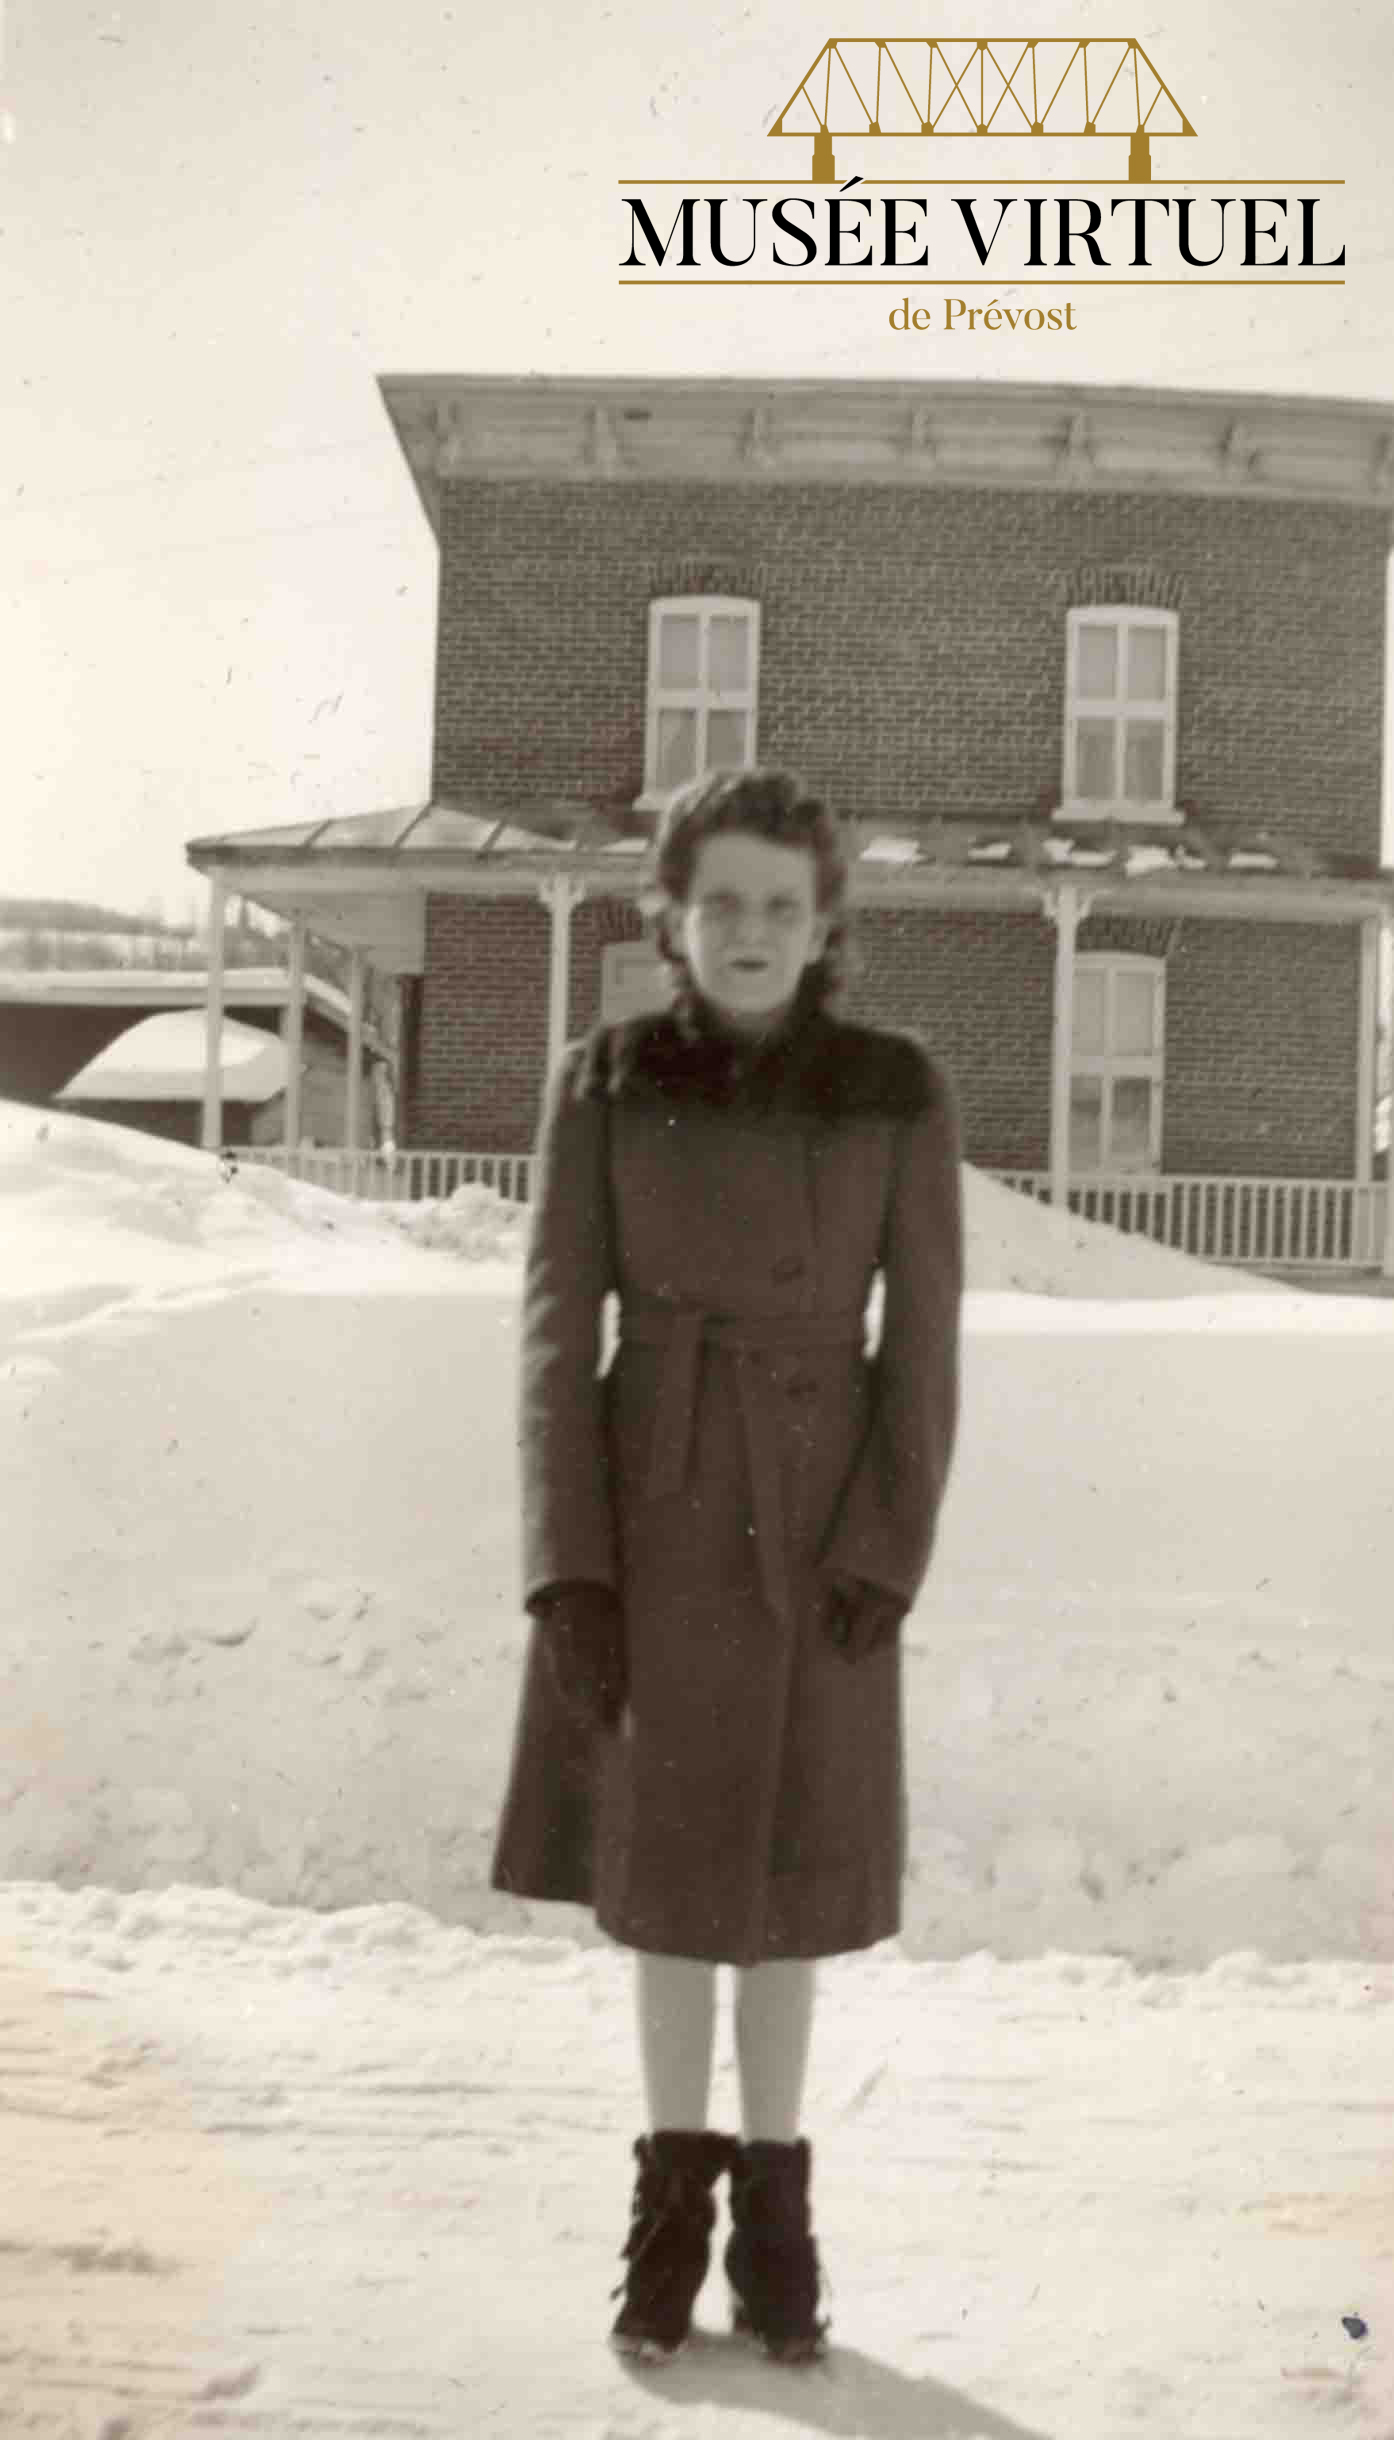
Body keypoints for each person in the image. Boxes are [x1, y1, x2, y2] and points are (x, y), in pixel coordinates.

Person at [491, 766, 963, 2366]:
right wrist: (570, 1569)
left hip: (822, 1526)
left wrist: (885, 1547)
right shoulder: (603, 1081)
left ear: (823, 922)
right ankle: (667, 2200)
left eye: (781, 904)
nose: (750, 931)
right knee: (673, 1882)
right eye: (722, 903)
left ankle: (775, 2205)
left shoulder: (894, 1087)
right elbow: (558, 1340)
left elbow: (926, 1346)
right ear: (669, 919)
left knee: (787, 1880)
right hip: (655, 1513)